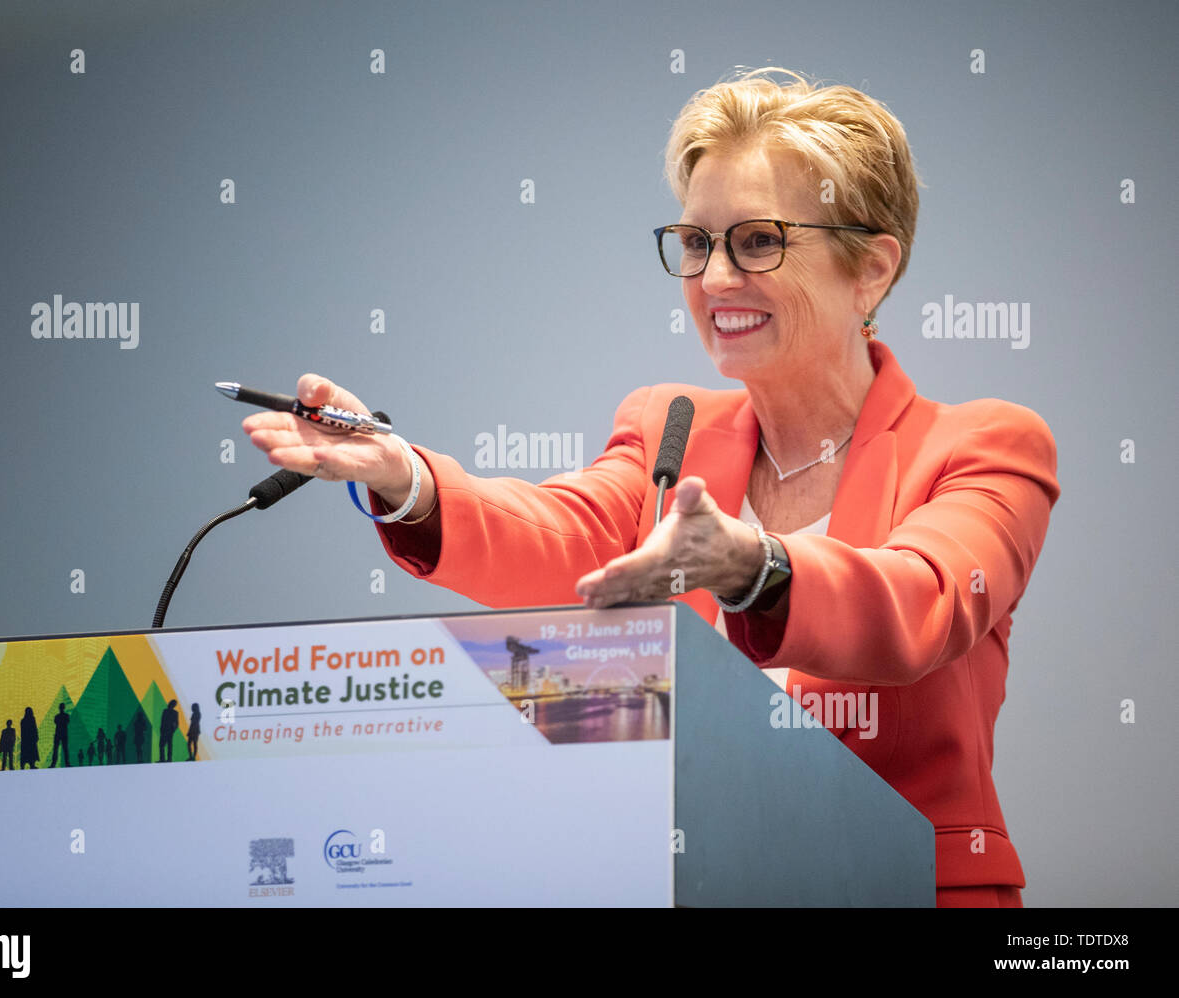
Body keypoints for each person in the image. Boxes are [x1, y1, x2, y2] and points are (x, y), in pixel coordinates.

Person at [241, 67, 1059, 908]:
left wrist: (754, 567)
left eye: (757, 241)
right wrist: (407, 476)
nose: (712, 281)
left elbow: (922, 603)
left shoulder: (984, 445)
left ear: (871, 270)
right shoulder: (671, 426)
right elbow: (559, 533)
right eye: (697, 243)